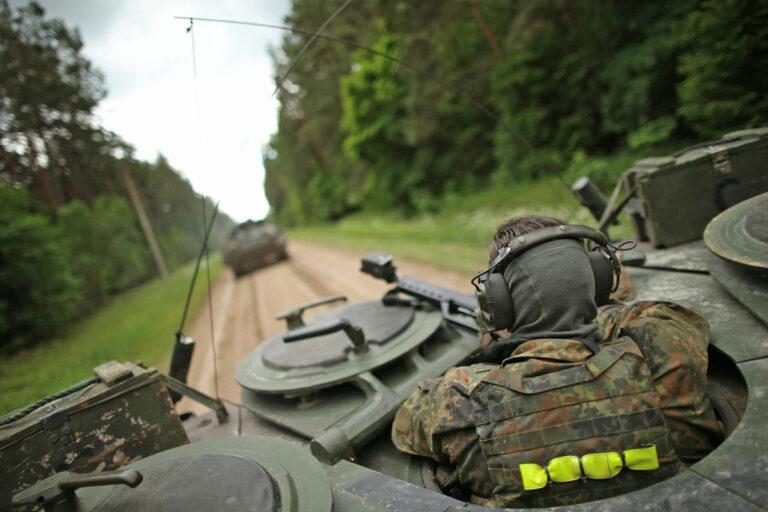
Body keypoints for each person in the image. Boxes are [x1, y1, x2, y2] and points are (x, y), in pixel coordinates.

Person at [391, 215, 723, 508]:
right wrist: (583, 314)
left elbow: (404, 428)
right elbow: (658, 316)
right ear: (597, 279)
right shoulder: (663, 345)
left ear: (500, 303)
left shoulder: (460, 397)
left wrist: (498, 342)